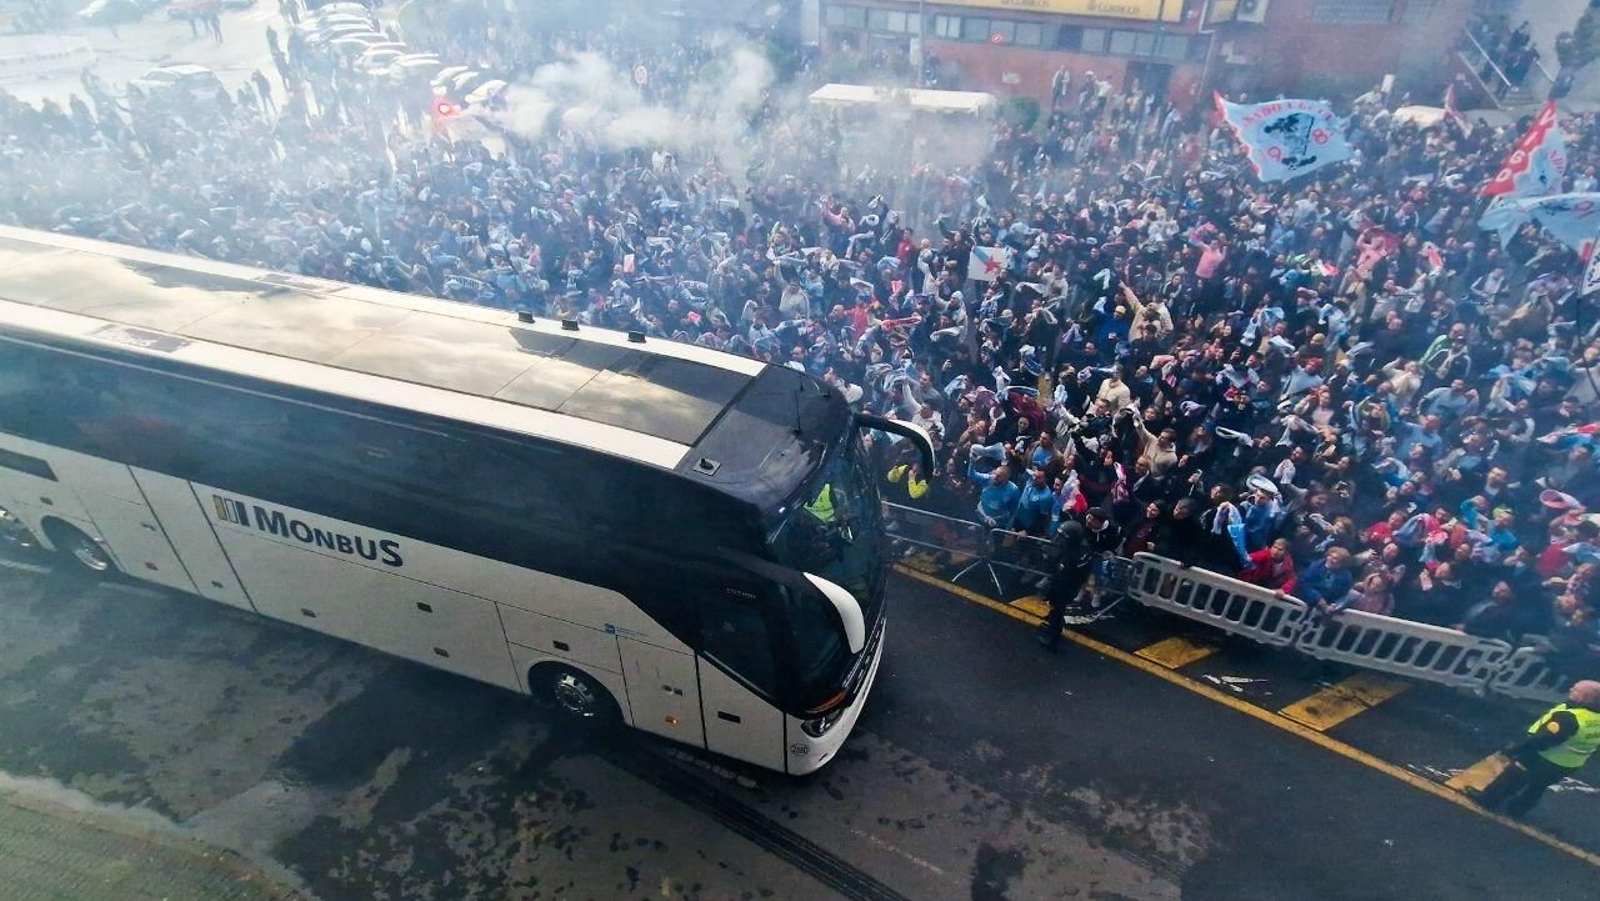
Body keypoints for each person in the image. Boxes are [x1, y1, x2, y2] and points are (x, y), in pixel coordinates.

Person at [1467, 680, 1600, 818]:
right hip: (1570, 764)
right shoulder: (1595, 719)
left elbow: (1543, 741)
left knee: (1513, 777)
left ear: (1586, 698)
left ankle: (1488, 800)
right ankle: (1517, 810)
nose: (1571, 689)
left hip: (1544, 758)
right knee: (1537, 788)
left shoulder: (1570, 718)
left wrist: (1517, 749)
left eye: (1576, 690)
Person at [1038, 522, 1093, 651]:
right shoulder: (1084, 548)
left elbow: (1061, 571)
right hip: (1073, 584)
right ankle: (1052, 625)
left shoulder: (1072, 555)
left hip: (1065, 586)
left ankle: (1052, 639)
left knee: (1058, 610)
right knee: (1056, 610)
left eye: (1063, 536)